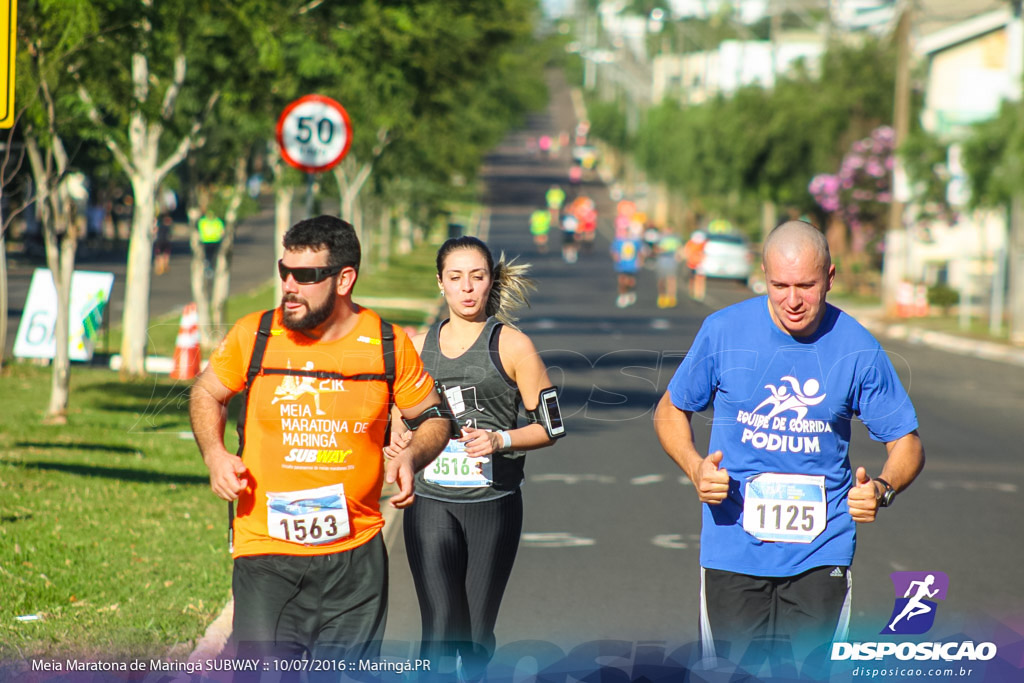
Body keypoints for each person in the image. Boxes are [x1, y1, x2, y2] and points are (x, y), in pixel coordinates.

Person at [653, 220, 925, 670]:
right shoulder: (724, 331)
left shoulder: (857, 347)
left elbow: (907, 444)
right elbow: (671, 410)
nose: (793, 300)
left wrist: (881, 488)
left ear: (830, 278)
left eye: (806, 285)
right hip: (733, 549)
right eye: (779, 285)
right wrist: (695, 466)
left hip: (822, 552)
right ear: (763, 276)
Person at [189, 215, 451, 669]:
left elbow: (434, 417)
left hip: (356, 558)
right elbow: (207, 391)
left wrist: (412, 453)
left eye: (306, 275)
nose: (290, 285)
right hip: (267, 552)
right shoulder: (256, 334)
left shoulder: (386, 343)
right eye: (284, 271)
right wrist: (214, 455)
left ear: (344, 278)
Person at [385, 236, 562, 680]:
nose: (467, 288)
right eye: (456, 277)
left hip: (493, 504)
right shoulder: (416, 346)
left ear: (490, 282)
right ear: (440, 283)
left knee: (476, 635)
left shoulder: (513, 346)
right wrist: (397, 442)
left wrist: (501, 439)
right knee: (441, 627)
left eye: (477, 277)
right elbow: (398, 417)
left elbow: (551, 426)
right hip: (431, 501)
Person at [610, 228, 643, 308]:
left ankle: (630, 292)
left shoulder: (635, 242)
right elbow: (613, 250)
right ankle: (622, 296)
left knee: (630, 281)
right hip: (622, 264)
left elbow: (641, 252)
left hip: (632, 265)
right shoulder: (619, 241)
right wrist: (615, 257)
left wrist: (640, 260)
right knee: (621, 280)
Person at [654, 228, 684, 308]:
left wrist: (679, 255)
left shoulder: (676, 238)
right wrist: (662, 250)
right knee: (661, 280)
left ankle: (671, 297)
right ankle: (662, 296)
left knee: (671, 279)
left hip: (672, 260)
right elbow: (655, 249)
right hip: (662, 260)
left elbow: (680, 248)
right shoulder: (660, 238)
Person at [197, 208, 226, 274]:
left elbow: (198, 231)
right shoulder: (217, 221)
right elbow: (222, 231)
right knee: (211, 255)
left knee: (210, 255)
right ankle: (209, 267)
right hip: (211, 240)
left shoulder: (203, 221)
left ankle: (208, 266)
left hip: (210, 240)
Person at [682, 231, 707, 301]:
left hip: (701, 264)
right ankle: (693, 292)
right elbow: (687, 252)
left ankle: (699, 294)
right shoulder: (690, 243)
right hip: (692, 263)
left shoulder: (704, 243)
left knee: (700, 278)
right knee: (692, 278)